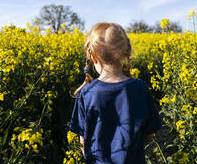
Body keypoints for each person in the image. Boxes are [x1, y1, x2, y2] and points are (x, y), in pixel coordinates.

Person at [68, 22, 162, 164]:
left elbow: (83, 141)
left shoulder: (86, 93)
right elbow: (149, 133)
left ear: (93, 58)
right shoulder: (140, 88)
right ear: (126, 53)